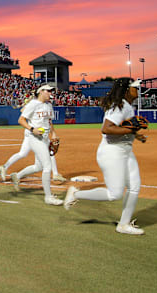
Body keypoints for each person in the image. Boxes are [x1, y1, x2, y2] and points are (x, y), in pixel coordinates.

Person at [63, 78, 147, 235]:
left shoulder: (127, 106)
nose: (138, 90)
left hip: (125, 151)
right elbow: (106, 129)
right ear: (127, 90)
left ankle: (123, 224)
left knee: (134, 186)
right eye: (136, 87)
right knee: (114, 194)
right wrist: (130, 131)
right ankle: (76, 193)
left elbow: (123, 127)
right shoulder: (119, 107)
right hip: (112, 152)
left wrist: (136, 135)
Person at [8, 84, 63, 205]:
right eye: (48, 91)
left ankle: (17, 176)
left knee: (39, 167)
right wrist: (32, 128)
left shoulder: (49, 105)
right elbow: (21, 120)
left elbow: (49, 121)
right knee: (48, 166)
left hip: (45, 138)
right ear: (41, 92)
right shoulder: (32, 104)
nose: (50, 93)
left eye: (51, 91)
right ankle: (48, 197)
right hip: (34, 137)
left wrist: (53, 133)